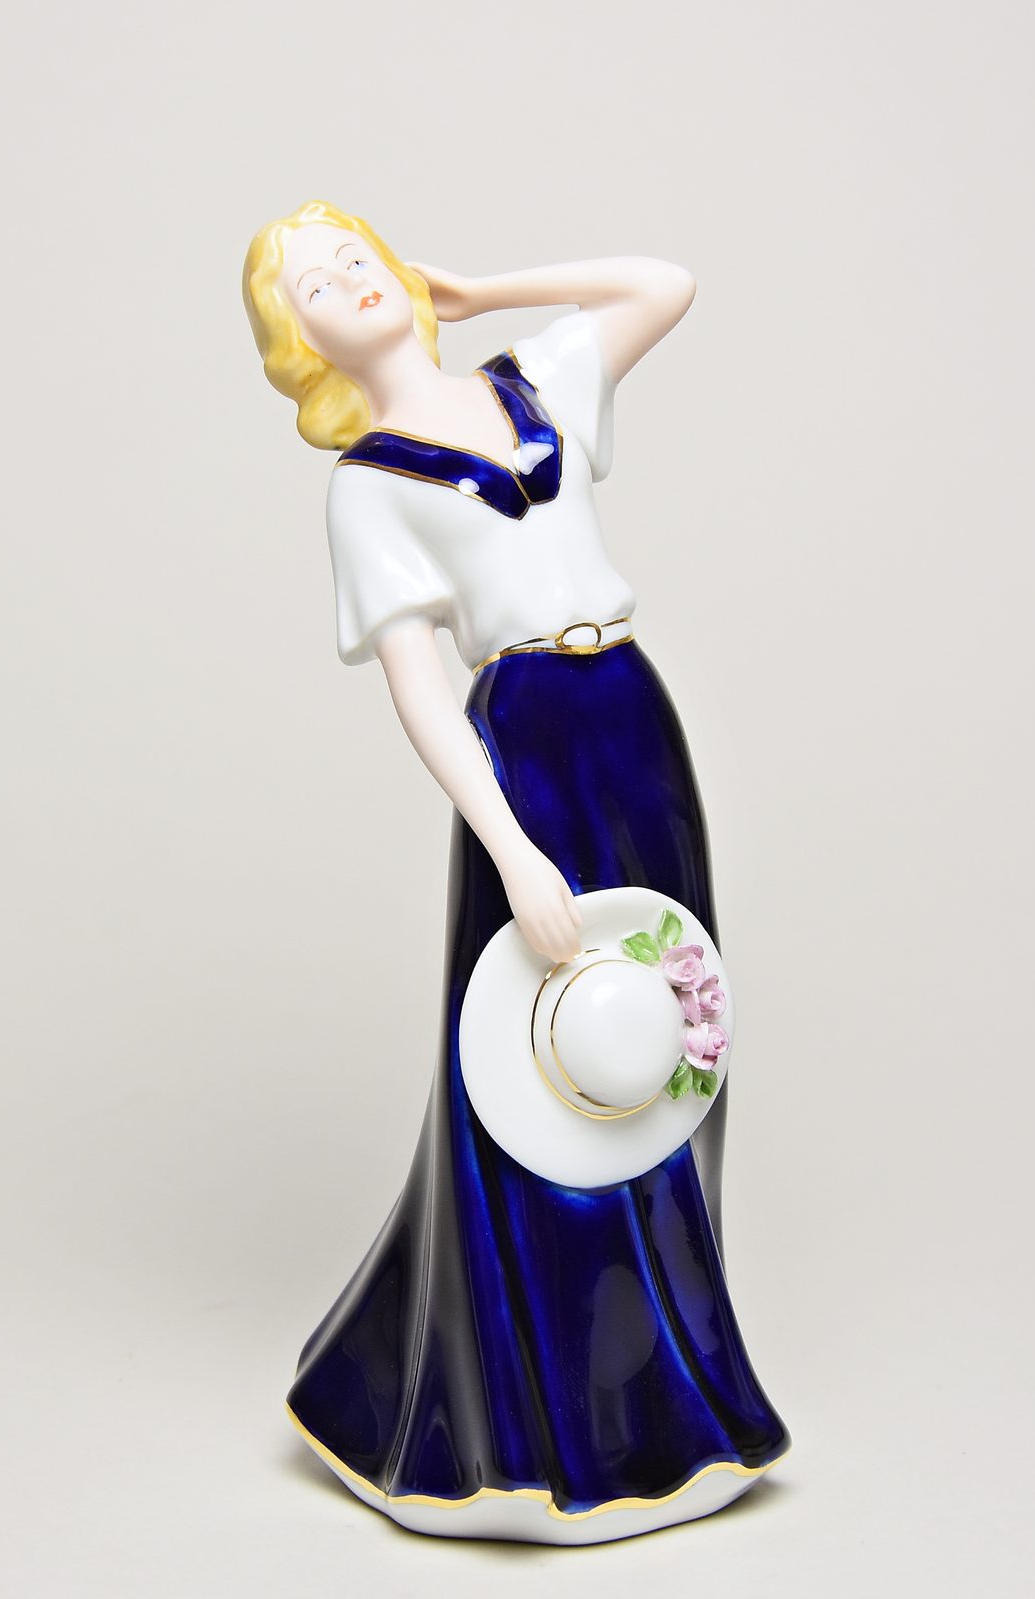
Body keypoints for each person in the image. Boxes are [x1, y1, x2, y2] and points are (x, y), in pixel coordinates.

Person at [242, 199, 789, 1544]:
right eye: (315, 286)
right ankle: (541, 1429)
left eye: (357, 255)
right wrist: (511, 848)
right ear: (301, 343)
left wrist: (486, 290)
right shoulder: (369, 486)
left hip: (634, 720)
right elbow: (422, 692)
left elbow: (664, 281)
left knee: (669, 1043)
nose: (350, 281)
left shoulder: (530, 382)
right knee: (537, 1069)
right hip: (528, 743)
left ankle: (673, 1390)